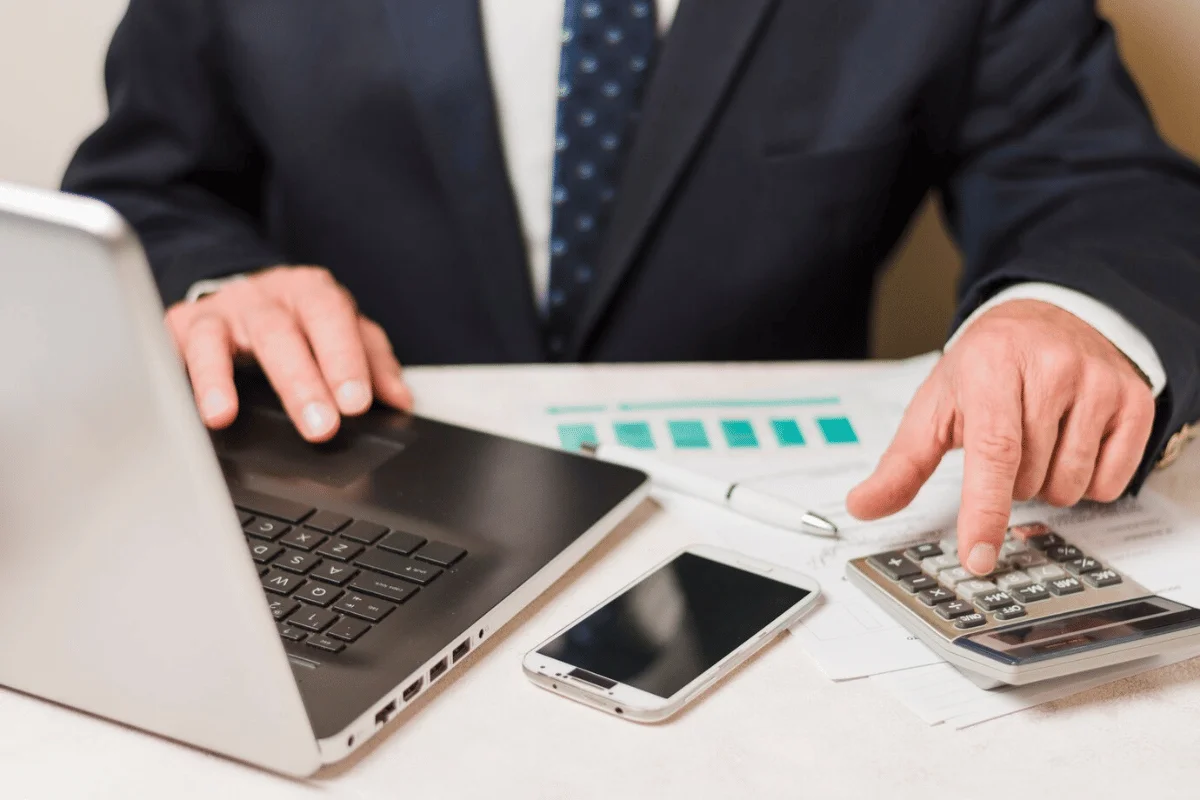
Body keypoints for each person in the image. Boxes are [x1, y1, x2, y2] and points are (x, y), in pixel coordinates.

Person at [62, 0, 1200, 577]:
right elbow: (148, 186)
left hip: (766, 565)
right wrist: (218, 282)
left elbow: (1101, 182)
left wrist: (1068, 310)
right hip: (347, 526)